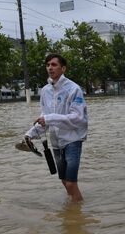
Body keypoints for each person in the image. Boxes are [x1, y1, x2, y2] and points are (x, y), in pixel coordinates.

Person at [25, 53, 88, 203]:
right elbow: (44, 117)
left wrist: (49, 119)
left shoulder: (74, 89)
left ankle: (76, 217)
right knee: (65, 182)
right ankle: (73, 210)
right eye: (47, 65)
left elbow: (78, 118)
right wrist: (30, 134)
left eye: (54, 65)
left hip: (72, 140)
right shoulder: (45, 91)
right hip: (55, 142)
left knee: (71, 183)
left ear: (63, 68)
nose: (50, 68)